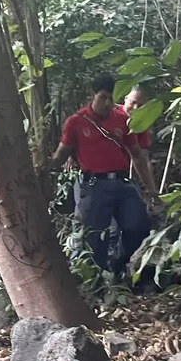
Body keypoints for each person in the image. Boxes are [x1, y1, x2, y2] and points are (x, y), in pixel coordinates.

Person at [48, 74, 160, 277]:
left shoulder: (123, 120)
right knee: (94, 237)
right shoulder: (76, 122)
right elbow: (61, 153)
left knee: (138, 225)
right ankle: (94, 281)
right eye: (103, 97)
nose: (108, 103)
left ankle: (119, 268)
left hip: (122, 183)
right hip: (93, 185)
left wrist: (151, 188)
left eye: (111, 98)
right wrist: (43, 166)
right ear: (93, 95)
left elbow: (138, 155)